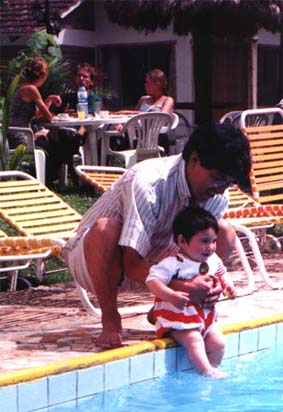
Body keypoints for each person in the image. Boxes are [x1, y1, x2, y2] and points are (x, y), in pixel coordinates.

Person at [63, 122, 251, 349]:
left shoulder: (218, 196)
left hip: (157, 263)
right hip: (96, 262)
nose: (221, 189)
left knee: (223, 232)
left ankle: (163, 308)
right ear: (193, 160)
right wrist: (181, 285)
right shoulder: (149, 181)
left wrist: (211, 283)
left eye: (229, 183)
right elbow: (131, 263)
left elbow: (205, 257)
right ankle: (110, 317)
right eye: (218, 179)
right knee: (105, 228)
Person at [146, 206, 236, 379]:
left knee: (219, 342)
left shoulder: (213, 260)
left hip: (203, 317)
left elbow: (222, 273)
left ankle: (212, 368)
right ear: (182, 241)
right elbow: (152, 280)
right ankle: (206, 372)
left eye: (214, 241)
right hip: (176, 319)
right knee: (194, 340)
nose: (210, 247)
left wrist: (228, 286)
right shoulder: (173, 263)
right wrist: (170, 295)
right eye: (204, 241)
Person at [7, 57, 69, 183]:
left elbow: (37, 115)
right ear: (43, 76)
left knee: (59, 144)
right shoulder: (31, 89)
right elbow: (48, 117)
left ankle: (39, 176)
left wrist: (49, 100)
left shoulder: (24, 87)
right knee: (58, 147)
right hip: (21, 136)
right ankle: (38, 177)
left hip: (17, 133)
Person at [114, 68, 174, 153]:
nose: (145, 85)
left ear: (158, 84)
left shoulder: (167, 100)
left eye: (147, 82)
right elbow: (132, 119)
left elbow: (162, 116)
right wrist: (122, 124)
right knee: (112, 135)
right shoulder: (143, 99)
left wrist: (131, 112)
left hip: (155, 136)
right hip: (137, 134)